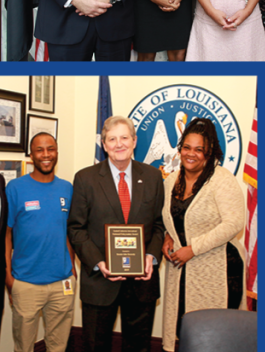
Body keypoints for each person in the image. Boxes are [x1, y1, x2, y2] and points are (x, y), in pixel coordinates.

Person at [68, 116, 165, 352]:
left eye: (124, 138)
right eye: (112, 139)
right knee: (95, 346)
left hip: (142, 282)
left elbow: (159, 225)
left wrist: (150, 257)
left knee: (138, 346)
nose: (118, 144)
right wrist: (98, 262)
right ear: (104, 144)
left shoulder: (153, 177)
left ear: (134, 141)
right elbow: (76, 228)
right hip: (100, 281)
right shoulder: (85, 178)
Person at [160, 119, 245, 351]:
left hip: (219, 269)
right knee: (184, 330)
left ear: (210, 152)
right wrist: (168, 236)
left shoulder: (221, 179)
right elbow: (171, 218)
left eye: (199, 149)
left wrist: (193, 249)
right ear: (180, 149)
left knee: (215, 333)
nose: (191, 154)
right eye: (187, 147)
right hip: (180, 270)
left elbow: (234, 222)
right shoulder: (171, 181)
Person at [6, 133, 68, 352]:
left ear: (57, 152)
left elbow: (70, 232)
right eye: (39, 150)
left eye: (50, 149)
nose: (45, 155)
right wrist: (8, 277)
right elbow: (6, 234)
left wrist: (73, 270)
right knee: (23, 346)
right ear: (31, 156)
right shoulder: (14, 188)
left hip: (63, 284)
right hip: (26, 282)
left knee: (58, 346)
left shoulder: (68, 189)